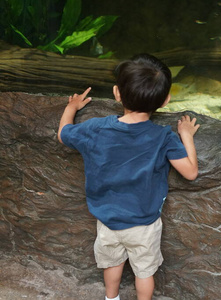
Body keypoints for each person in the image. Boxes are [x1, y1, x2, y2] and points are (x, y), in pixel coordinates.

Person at [57, 54, 200, 300]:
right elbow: (191, 172)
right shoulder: (163, 137)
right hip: (144, 224)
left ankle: (111, 298)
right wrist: (185, 135)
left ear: (116, 93)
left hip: (108, 220)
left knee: (112, 264)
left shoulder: (95, 128)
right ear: (165, 100)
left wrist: (71, 107)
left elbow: (63, 135)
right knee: (144, 272)